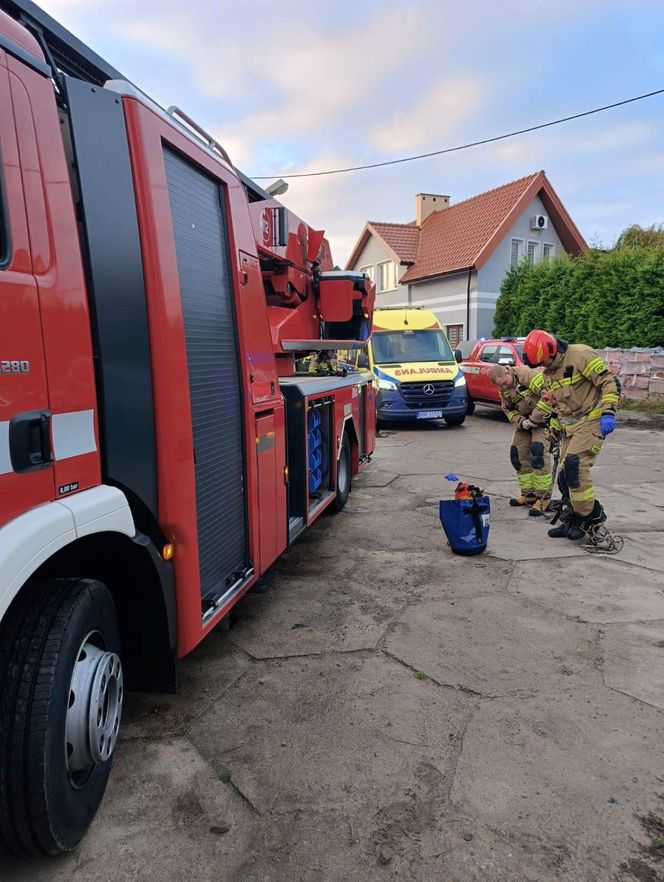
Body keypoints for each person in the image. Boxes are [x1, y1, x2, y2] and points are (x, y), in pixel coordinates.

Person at [522, 330, 619, 540]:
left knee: (575, 466)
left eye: (545, 362)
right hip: (570, 427)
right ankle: (572, 516)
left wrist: (609, 412)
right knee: (565, 476)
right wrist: (552, 426)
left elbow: (609, 382)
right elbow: (554, 400)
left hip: (592, 420)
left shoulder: (581, 355)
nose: (543, 366)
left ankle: (590, 517)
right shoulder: (549, 372)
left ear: (553, 351)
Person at [489, 364, 553, 515]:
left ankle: (543, 498)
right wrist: (520, 421)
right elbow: (507, 409)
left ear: (507, 372)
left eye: (504, 383)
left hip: (543, 420)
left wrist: (533, 418)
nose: (503, 387)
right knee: (517, 454)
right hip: (525, 422)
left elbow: (549, 396)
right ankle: (528, 494)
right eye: (500, 385)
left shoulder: (527, 375)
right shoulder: (503, 388)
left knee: (539, 455)